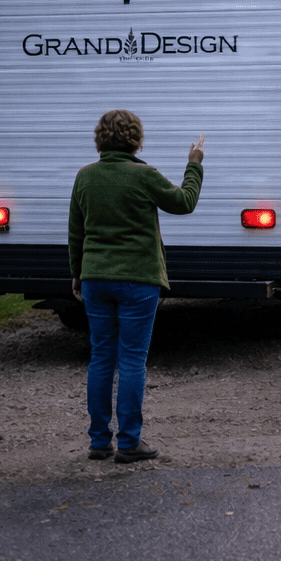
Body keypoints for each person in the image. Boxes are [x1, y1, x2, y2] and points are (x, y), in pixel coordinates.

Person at [68, 110, 204, 464]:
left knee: (101, 358)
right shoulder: (144, 176)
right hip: (138, 282)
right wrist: (194, 165)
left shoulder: (85, 177)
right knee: (131, 359)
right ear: (135, 139)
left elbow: (75, 233)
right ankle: (129, 443)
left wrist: (76, 273)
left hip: (95, 280)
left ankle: (99, 442)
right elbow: (185, 202)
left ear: (100, 139)